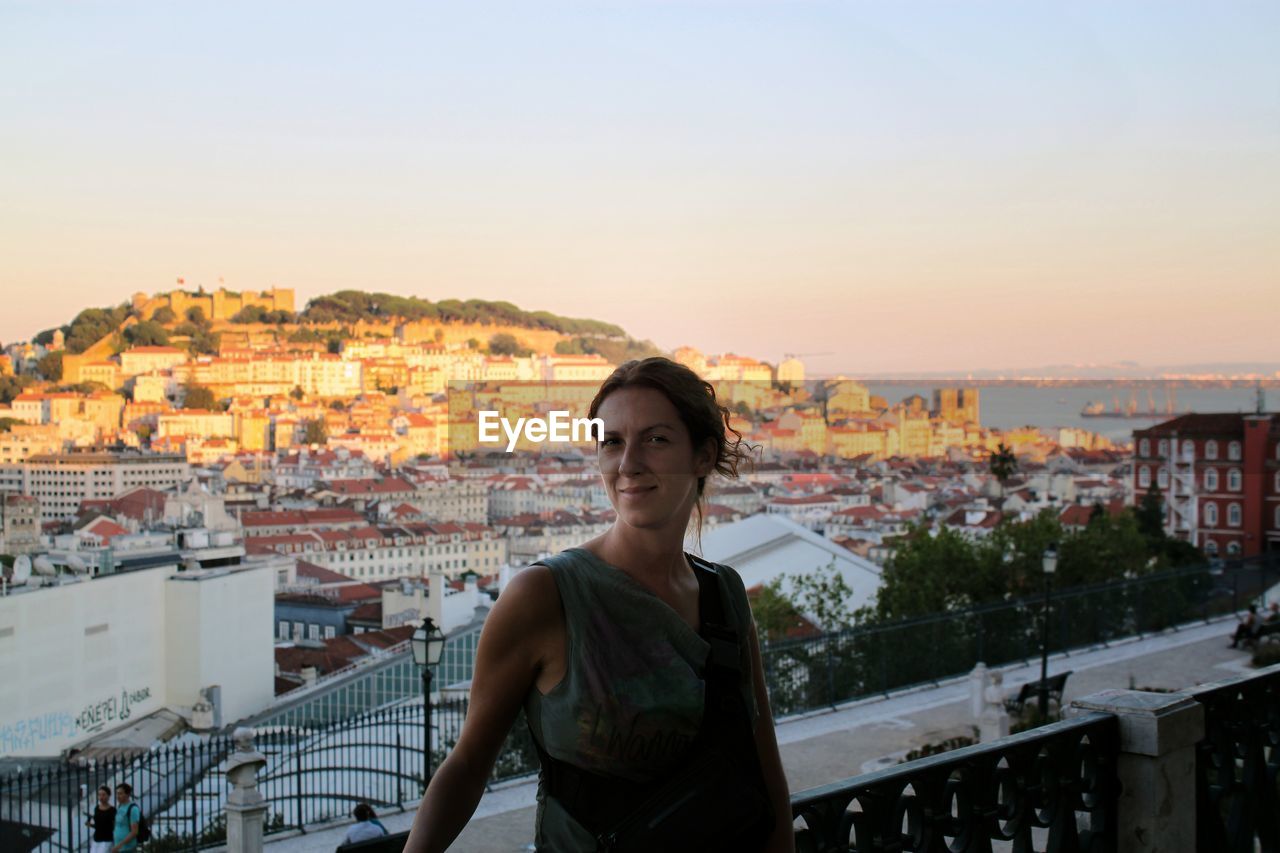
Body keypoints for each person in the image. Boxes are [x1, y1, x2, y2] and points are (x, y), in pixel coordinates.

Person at [405, 357, 793, 852]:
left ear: (702, 456)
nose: (628, 463)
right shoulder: (543, 596)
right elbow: (466, 765)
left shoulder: (726, 595)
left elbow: (762, 761)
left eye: (655, 439)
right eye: (612, 442)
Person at [112, 783, 140, 853]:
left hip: (127, 848)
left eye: (120, 794)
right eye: (117, 794)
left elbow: (134, 831)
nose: (118, 796)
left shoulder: (133, 809)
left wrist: (120, 845)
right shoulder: (120, 806)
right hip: (118, 847)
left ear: (127, 794)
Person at [88, 785, 116, 853]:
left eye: (103, 795)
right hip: (96, 839)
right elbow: (98, 825)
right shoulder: (96, 808)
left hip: (107, 840)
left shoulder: (112, 810)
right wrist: (91, 825)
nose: (101, 797)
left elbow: (114, 825)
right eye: (99, 795)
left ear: (108, 796)